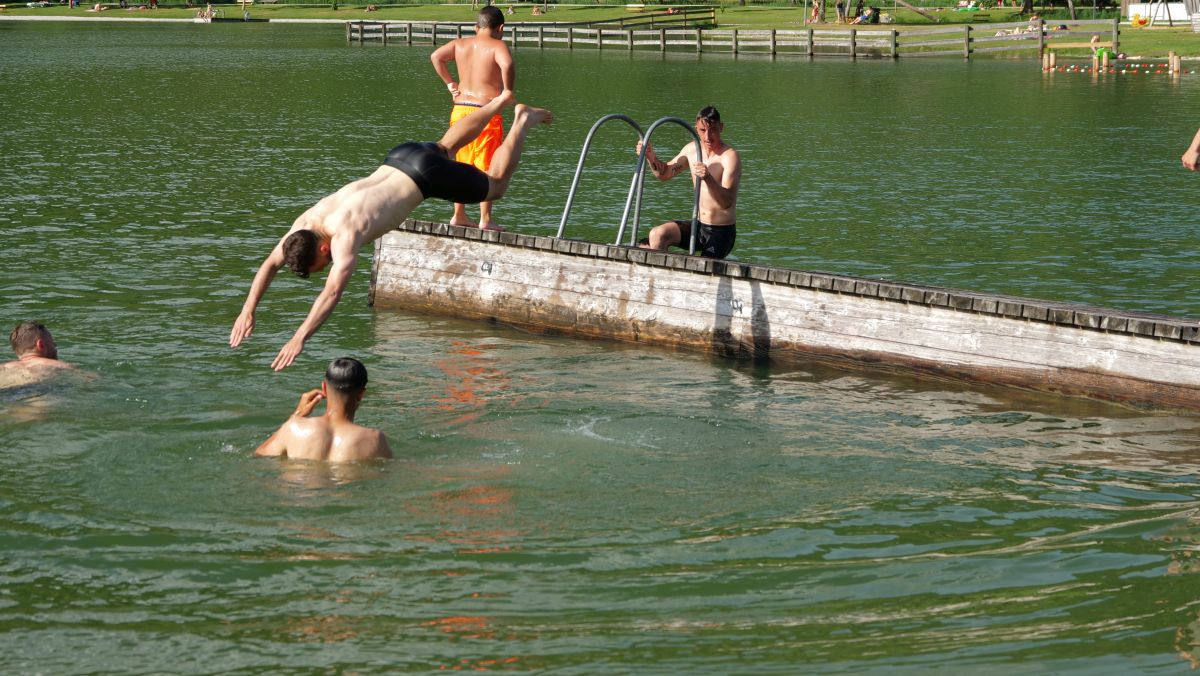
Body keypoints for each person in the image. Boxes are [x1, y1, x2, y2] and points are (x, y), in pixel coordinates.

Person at [229, 91, 552, 372]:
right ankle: (496, 102)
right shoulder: (304, 224)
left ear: (323, 250)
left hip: (425, 177)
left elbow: (331, 294)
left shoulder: (344, 238)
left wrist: (299, 338)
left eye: (319, 267)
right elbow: (270, 265)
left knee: (496, 187)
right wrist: (248, 309)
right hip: (401, 156)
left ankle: (522, 120)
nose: (323, 271)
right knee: (445, 144)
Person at [430, 6, 514, 231]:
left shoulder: (460, 44)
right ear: (501, 28)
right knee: (488, 167)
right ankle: (485, 219)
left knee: (460, 164)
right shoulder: (498, 45)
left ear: (476, 27)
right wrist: (508, 90)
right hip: (484, 113)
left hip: (459, 111)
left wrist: (450, 84)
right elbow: (507, 64)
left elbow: (436, 56)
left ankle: (459, 215)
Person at [635, 105, 742, 260]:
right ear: (696, 129)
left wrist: (708, 178)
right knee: (657, 234)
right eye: (702, 131)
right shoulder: (692, 150)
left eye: (713, 130)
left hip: (722, 231)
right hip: (699, 225)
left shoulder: (730, 157)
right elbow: (665, 174)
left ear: (721, 127)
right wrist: (651, 157)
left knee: (704, 266)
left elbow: (727, 202)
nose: (708, 137)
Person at [255, 357, 393, 462]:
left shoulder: (293, 427)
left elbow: (259, 454)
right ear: (362, 394)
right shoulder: (374, 439)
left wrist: (296, 415)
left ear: (324, 388)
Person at [3, 321, 75, 374]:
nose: (55, 345)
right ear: (41, 345)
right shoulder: (61, 366)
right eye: (52, 342)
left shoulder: (3, 368)